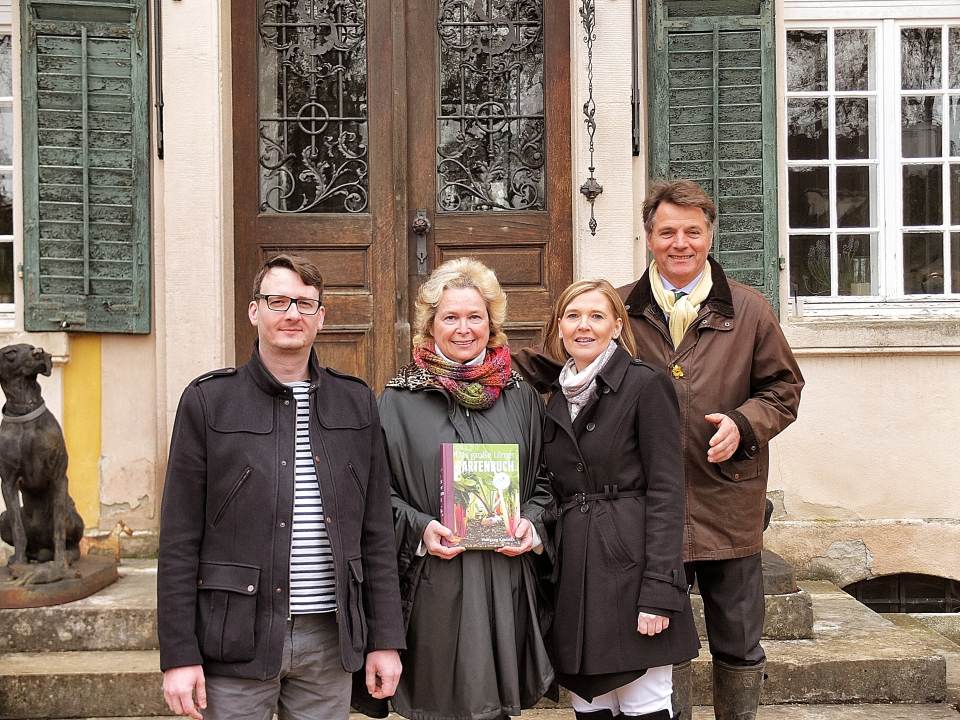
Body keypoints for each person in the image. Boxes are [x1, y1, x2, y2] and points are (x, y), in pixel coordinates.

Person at [515, 180, 804, 720]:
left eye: (693, 231)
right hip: (643, 519)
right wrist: (467, 365)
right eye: (667, 231)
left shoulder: (749, 309)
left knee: (738, 642)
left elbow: (784, 389)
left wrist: (745, 424)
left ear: (710, 235)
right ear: (648, 237)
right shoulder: (613, 309)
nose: (681, 243)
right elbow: (548, 364)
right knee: (664, 644)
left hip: (727, 505)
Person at [157, 254, 405, 720]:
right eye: (277, 301)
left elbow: (377, 534)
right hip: (236, 638)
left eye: (305, 303)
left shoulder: (355, 403)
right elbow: (178, 540)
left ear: (321, 317)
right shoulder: (209, 402)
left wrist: (385, 640)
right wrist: (178, 653)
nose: (292, 313)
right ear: (254, 311)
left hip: (330, 640)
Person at [379, 257, 555, 720]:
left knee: (495, 709)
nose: (463, 329)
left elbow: (546, 483)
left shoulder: (521, 396)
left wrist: (531, 528)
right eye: (450, 317)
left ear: (491, 323)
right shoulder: (397, 399)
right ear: (430, 325)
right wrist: (420, 529)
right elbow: (378, 494)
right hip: (434, 584)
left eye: (474, 316)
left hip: (504, 582)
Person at [540, 279, 699, 720]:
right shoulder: (554, 397)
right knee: (590, 703)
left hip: (633, 569)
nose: (583, 326)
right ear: (559, 327)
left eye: (596, 316)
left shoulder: (645, 385)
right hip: (576, 573)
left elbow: (668, 491)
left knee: (642, 703)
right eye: (572, 316)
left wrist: (660, 592)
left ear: (616, 325)